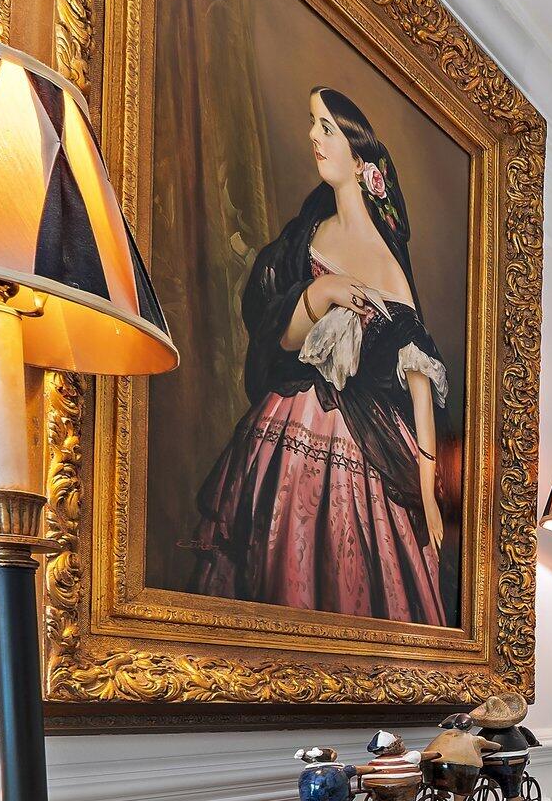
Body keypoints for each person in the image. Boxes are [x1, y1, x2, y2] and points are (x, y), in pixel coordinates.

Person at [187, 87, 457, 623]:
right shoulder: (307, 233)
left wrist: (428, 491)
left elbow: (419, 382)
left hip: (367, 450)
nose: (313, 136)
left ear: (361, 163)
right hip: (288, 423)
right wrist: (320, 293)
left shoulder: (388, 268)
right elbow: (280, 337)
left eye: (327, 128)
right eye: (314, 122)